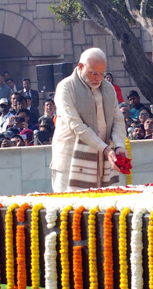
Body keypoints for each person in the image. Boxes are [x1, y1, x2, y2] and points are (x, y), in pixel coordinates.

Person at [50, 47, 128, 192]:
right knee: (69, 210)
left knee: (101, 209)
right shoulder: (66, 87)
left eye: (102, 73)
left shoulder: (108, 88)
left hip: (101, 160)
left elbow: (118, 119)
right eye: (93, 73)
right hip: (70, 161)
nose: (98, 78)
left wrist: (118, 145)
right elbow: (76, 125)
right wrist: (105, 149)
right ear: (81, 67)